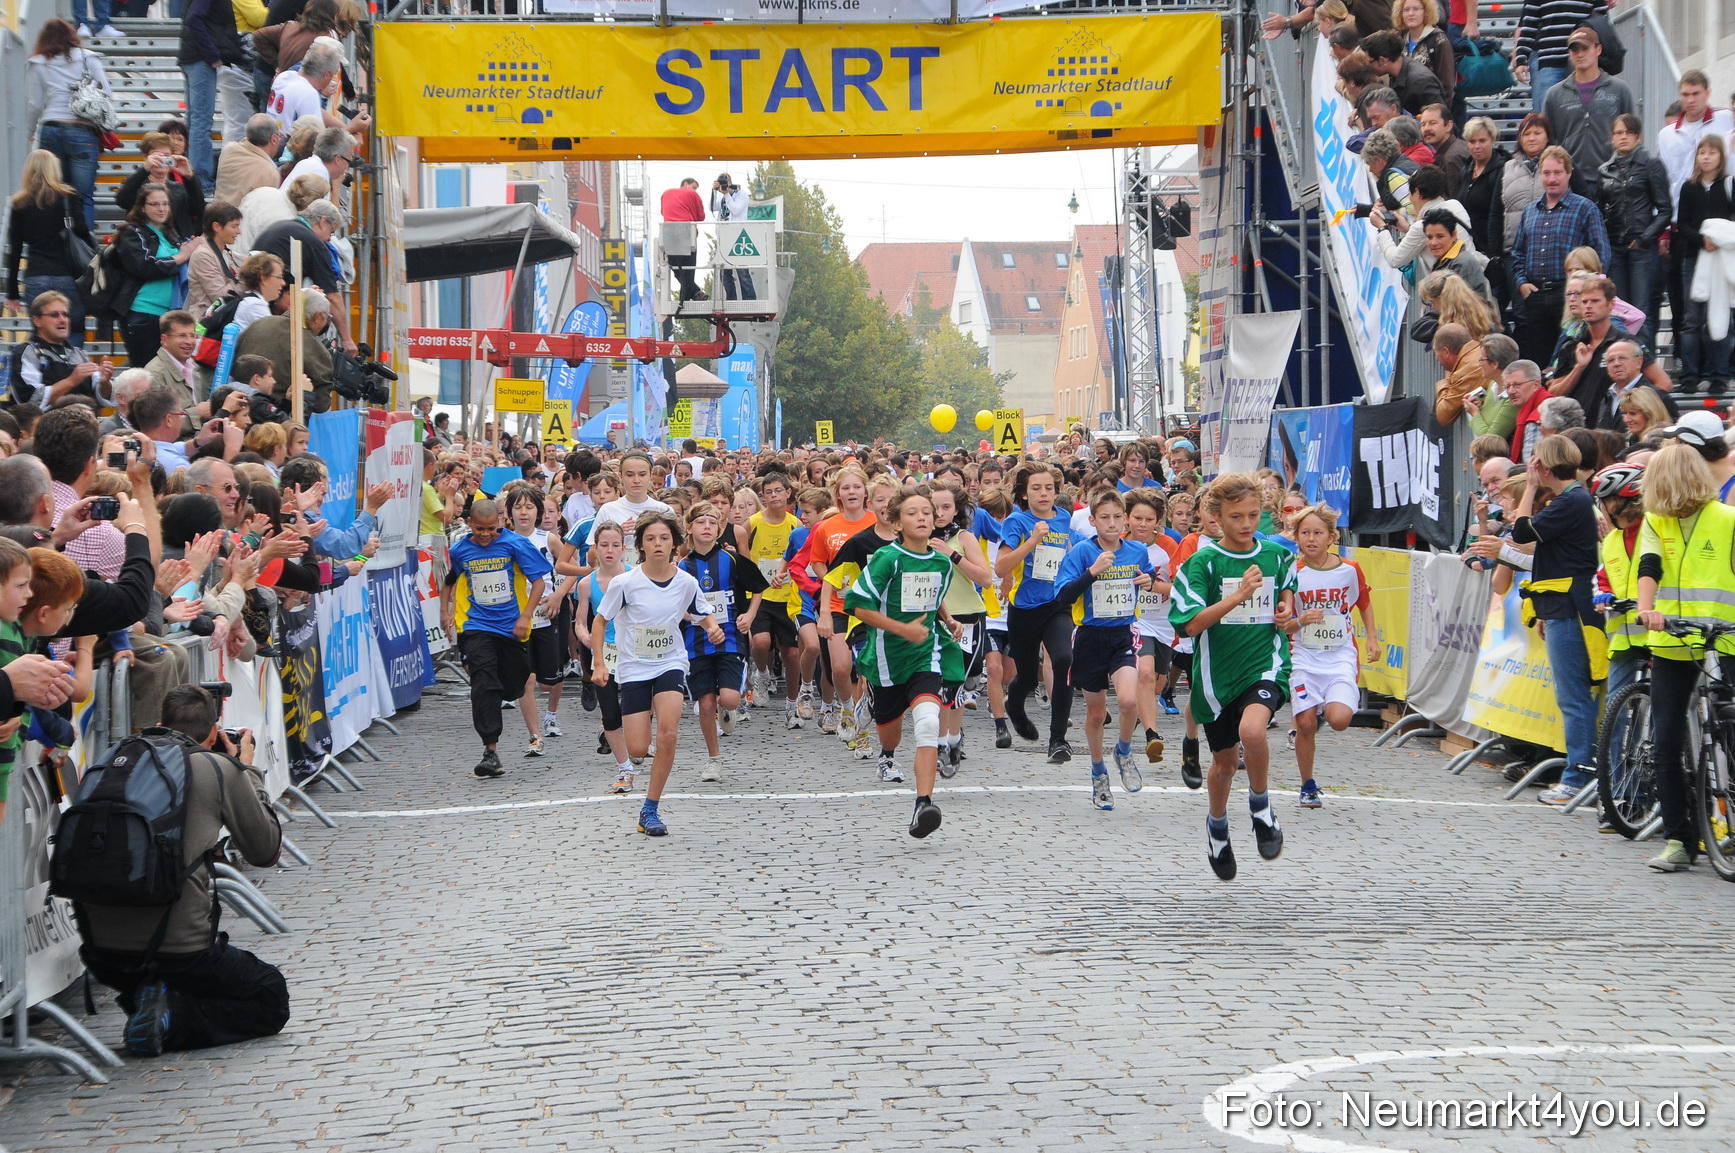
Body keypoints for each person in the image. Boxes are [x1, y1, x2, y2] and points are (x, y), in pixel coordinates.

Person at [74, 683, 287, 1056]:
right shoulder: (217, 768)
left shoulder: (115, 759)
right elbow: (265, 850)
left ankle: (151, 1001)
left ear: (159, 724)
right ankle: (171, 1016)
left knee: (174, 973)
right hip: (181, 952)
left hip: (101, 955)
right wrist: (246, 770)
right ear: (214, 732)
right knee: (270, 995)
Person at [1169, 474, 1298, 881]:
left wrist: (1285, 614)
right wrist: (1238, 597)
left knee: (1254, 731)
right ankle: (1217, 826)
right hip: (1215, 676)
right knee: (1224, 764)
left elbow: (1287, 596)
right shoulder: (1201, 563)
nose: (1246, 524)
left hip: (1264, 662)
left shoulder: (1277, 554)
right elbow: (1190, 625)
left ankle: (1261, 806)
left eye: (1253, 515)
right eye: (1236, 516)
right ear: (1215, 517)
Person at [1634, 433, 1735, 872]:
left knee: (1728, 733)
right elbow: (1649, 566)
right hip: (1673, 638)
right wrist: (1644, 609)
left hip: (1725, 638)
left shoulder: (1727, 519)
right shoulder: (1657, 521)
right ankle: (1679, 839)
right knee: (1668, 739)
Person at [842, 487, 965, 839]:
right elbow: (858, 605)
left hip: (926, 655)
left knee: (927, 722)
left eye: (927, 511)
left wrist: (949, 618)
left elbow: (933, 600)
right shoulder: (886, 558)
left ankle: (923, 804)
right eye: (912, 513)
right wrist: (901, 629)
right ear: (896, 522)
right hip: (885, 660)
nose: (923, 517)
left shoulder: (942, 562)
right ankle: (871, 702)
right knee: (890, 736)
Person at [591, 511, 722, 837]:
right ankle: (640, 725)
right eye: (651, 538)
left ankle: (650, 808)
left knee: (668, 734)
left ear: (676, 543)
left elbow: (703, 612)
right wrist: (599, 663)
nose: (658, 543)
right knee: (638, 748)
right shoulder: (625, 583)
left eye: (664, 537)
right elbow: (599, 621)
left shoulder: (686, 582)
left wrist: (713, 627)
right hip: (633, 666)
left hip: (670, 663)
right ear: (641, 546)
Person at [1509, 434, 1602, 805]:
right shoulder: (1575, 500)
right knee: (1576, 696)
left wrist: (1529, 489)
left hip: (1570, 607)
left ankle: (1578, 776)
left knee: (1574, 697)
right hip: (1561, 605)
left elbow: (1520, 532)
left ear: (1544, 466)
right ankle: (1586, 772)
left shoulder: (1571, 501)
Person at [1051, 491, 1156, 809]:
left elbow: (1148, 574)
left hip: (1123, 635)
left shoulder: (1136, 550)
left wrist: (1146, 580)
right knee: (1096, 713)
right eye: (1104, 517)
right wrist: (1092, 571)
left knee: (1127, 700)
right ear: (1093, 521)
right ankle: (1098, 773)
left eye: (1117, 516)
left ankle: (1123, 750)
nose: (1112, 523)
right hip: (1089, 638)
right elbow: (1063, 597)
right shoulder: (1082, 553)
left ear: (1125, 519)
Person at [442, 499, 551, 779]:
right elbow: (450, 581)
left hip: (511, 627)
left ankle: (501, 692)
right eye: (479, 529)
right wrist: (445, 613)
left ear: (500, 523)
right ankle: (490, 751)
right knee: (484, 681)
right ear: (470, 524)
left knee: (514, 682)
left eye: (491, 528)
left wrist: (526, 616)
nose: (485, 534)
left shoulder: (515, 544)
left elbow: (539, 581)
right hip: (476, 625)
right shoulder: (459, 550)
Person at [1282, 504, 1380, 809]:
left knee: (1339, 720)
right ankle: (1307, 785)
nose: (1311, 539)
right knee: (1306, 725)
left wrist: (1373, 639)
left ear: (1331, 537)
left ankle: (1323, 707)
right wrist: (1300, 621)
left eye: (1318, 533)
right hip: (1303, 658)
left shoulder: (1349, 570)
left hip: (1340, 656)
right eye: (1305, 533)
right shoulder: (1291, 573)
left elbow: (1364, 602)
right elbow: (1284, 621)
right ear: (1296, 537)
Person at [998, 461, 1080, 764]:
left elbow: (1069, 552)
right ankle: (1014, 706)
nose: (1044, 494)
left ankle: (1058, 740)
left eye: (1049, 488)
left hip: (1057, 605)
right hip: (1024, 609)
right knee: (1028, 678)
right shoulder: (1017, 522)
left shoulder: (1065, 518)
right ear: (1024, 493)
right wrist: (1032, 540)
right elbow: (1001, 567)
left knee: (1064, 659)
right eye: (1036, 488)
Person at [679, 500, 767, 783]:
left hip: (730, 638)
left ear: (719, 531)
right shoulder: (682, 566)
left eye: (713, 523)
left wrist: (749, 616)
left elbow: (758, 588)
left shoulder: (731, 559)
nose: (707, 527)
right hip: (696, 641)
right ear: (689, 529)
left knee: (728, 699)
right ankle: (713, 759)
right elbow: (675, 605)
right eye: (701, 522)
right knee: (705, 704)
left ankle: (728, 705)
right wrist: (692, 618)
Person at [1511, 146, 1612, 367]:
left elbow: (1601, 254)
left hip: (1570, 298)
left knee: (1566, 359)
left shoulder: (1585, 209)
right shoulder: (1530, 211)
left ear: (1569, 174)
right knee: (1537, 359)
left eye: (1558, 172)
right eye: (1546, 173)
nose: (1552, 178)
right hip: (1535, 296)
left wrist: (1585, 290)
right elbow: (1517, 252)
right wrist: (1522, 283)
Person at [26, 19, 110, 232]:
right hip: (82, 130)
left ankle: (56, 247)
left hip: (50, 130)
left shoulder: (38, 63)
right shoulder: (88, 58)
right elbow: (106, 93)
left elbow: (34, 104)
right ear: (72, 35)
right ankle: (85, 252)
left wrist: (30, 132)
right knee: (83, 197)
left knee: (51, 193)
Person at [5, 151, 96, 346]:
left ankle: (46, 373)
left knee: (42, 335)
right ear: (55, 168)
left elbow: (15, 249)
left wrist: (12, 292)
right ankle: (73, 372)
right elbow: (81, 229)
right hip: (68, 275)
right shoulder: (68, 196)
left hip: (36, 276)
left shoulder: (19, 202)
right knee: (73, 331)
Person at [1596, 114, 1669, 348]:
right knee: (1619, 310)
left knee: (1641, 309)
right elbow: (1600, 210)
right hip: (1615, 247)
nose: (1623, 137)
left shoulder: (1651, 164)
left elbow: (1665, 209)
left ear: (1638, 136)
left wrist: (1645, 239)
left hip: (1641, 247)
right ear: (1611, 138)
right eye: (1618, 133)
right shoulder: (1605, 170)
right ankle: (1624, 367)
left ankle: (1645, 369)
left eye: (1628, 132)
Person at [110, 184, 200, 367]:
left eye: (165, 204)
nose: (161, 209)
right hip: (143, 315)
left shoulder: (170, 233)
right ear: (142, 207)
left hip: (168, 315)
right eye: (155, 204)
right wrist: (181, 256)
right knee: (146, 374)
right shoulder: (132, 232)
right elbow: (144, 266)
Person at [1539, 24, 1632, 202]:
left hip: (1612, 180)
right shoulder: (1554, 94)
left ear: (1598, 49)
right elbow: (1549, 141)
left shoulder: (1619, 90)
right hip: (1570, 183)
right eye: (1574, 49)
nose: (1580, 54)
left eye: (1585, 48)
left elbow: (1632, 136)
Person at [745, 470, 808, 730]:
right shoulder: (753, 522)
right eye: (768, 492)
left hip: (788, 597)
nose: (773, 496)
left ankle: (792, 706)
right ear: (763, 496)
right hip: (760, 596)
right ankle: (761, 673)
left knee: (792, 654)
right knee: (760, 642)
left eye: (778, 491)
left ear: (788, 493)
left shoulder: (796, 525)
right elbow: (744, 555)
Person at [577, 521, 635, 792]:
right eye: (604, 545)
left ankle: (638, 745)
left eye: (615, 545)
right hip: (603, 653)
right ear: (595, 549)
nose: (610, 551)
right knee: (610, 713)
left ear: (624, 548)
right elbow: (580, 621)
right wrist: (585, 636)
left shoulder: (635, 576)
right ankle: (624, 768)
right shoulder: (586, 584)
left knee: (638, 708)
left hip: (633, 651)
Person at [1673, 135, 1734, 394]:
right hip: (1693, 259)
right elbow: (1683, 223)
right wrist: (1702, 239)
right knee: (1691, 319)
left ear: (1721, 156)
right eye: (1702, 152)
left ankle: (1719, 375)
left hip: (1722, 260)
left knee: (1721, 318)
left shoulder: (1729, 186)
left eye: (1711, 152)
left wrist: (1720, 239)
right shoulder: (1689, 187)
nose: (1706, 157)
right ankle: (1689, 375)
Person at [178, 0, 251, 195]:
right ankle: (201, 179)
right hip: (200, 59)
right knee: (201, 120)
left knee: (195, 120)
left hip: (193, 58)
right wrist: (212, 55)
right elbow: (194, 19)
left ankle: (195, 176)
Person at [7, 291, 108, 407]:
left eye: (65, 315)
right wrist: (71, 381)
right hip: (45, 424)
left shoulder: (80, 354)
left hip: (83, 422)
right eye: (54, 315)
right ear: (37, 321)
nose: (62, 320)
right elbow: (30, 400)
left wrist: (105, 383)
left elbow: (103, 399)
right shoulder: (26, 352)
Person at [1514, 0, 1609, 113]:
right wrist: (1521, 59)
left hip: (1582, 58)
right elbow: (1529, 25)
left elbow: (1601, 21)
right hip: (1550, 59)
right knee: (1547, 113)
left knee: (1583, 111)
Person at [115, 133, 207, 243]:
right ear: (145, 157)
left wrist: (190, 177)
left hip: (178, 245)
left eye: (166, 156)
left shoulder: (179, 188)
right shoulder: (136, 185)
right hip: (145, 244)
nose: (162, 160)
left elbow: (199, 210)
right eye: (157, 156)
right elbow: (122, 201)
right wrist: (144, 169)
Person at [266, 40, 369, 137]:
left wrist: (346, 127)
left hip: (271, 142)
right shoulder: (308, 93)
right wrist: (351, 128)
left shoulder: (285, 76)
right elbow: (317, 143)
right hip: (286, 152)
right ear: (327, 74)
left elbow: (314, 111)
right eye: (333, 74)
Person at [1360, 29, 1444, 115]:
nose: (1367, 66)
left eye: (1369, 62)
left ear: (1382, 61)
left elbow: (1439, 119)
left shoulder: (1421, 81)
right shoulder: (1395, 73)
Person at [185, 201, 242, 320]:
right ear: (216, 226)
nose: (238, 231)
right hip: (205, 325)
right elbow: (221, 297)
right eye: (234, 226)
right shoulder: (203, 255)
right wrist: (246, 276)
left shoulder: (226, 253)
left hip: (220, 320)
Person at [1393, 0, 1453, 107]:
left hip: (1431, 106)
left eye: (1416, 9)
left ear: (1426, 11)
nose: (1411, 13)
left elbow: (1447, 84)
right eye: (1406, 10)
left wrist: (1442, 112)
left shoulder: (1439, 40)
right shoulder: (1398, 40)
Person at [216, 114, 284, 206]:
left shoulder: (229, 150)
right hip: (242, 219)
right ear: (274, 139)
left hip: (217, 214)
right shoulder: (270, 173)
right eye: (279, 137)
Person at [659, 177, 708, 303]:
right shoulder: (692, 194)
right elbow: (701, 217)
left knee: (675, 268)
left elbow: (663, 212)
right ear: (686, 184)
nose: (695, 190)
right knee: (688, 268)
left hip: (668, 233)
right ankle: (688, 298)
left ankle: (695, 293)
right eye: (694, 187)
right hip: (687, 231)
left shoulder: (665, 193)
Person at [708, 172, 755, 301]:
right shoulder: (722, 197)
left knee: (742, 271)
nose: (724, 185)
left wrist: (727, 194)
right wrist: (714, 191)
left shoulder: (741, 194)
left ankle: (749, 299)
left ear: (730, 183)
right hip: (723, 236)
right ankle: (731, 298)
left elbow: (736, 210)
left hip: (737, 235)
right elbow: (712, 207)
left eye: (725, 182)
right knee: (724, 271)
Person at [1417, 104, 1469, 198]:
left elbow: (1455, 201)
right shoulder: (1457, 146)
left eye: (1433, 123)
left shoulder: (1451, 158)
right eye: (1423, 124)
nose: (1426, 128)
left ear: (1449, 126)